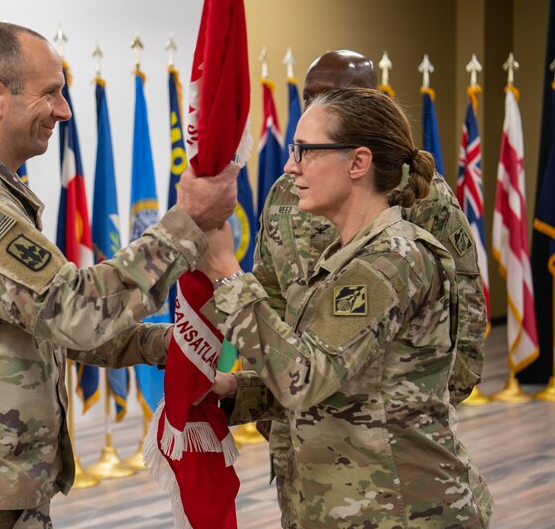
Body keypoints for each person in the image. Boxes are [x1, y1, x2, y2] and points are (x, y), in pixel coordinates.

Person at [0, 21, 238, 528]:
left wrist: (166, 345)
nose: (63, 110)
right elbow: (73, 311)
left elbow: (42, 326)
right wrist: (187, 224)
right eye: (52, 93)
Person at [200, 87, 492, 527]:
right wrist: (237, 391)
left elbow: (303, 379)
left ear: (358, 162)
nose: (289, 165)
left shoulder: (392, 261)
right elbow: (348, 389)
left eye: (306, 151)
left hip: (403, 511)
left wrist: (225, 269)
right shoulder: (347, 256)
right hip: (344, 506)